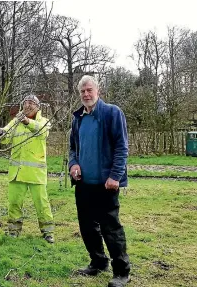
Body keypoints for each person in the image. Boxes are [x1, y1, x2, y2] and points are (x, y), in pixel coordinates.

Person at [68, 75, 130, 286]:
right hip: (84, 184)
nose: (86, 94)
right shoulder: (77, 118)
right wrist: (73, 164)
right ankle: (98, 262)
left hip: (106, 184)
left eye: (89, 90)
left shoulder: (112, 113)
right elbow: (72, 149)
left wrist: (115, 176)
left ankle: (121, 272)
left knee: (110, 228)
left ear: (98, 91)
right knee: (87, 227)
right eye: (82, 91)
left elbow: (122, 147)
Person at [0, 95, 55, 244]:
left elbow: (42, 131)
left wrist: (27, 121)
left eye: (31, 103)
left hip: (36, 173)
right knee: (14, 203)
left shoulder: (43, 121)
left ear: (38, 107)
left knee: (42, 204)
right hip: (17, 172)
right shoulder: (16, 121)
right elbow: (5, 137)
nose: (27, 105)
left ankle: (48, 232)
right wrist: (1, 132)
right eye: (25, 103)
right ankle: (13, 231)